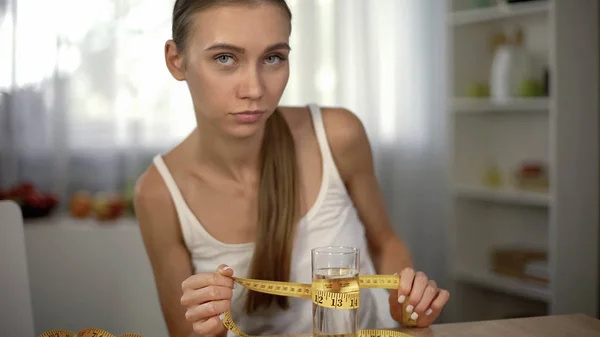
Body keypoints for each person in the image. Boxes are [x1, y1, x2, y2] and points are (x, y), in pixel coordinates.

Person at [133, 0, 450, 336]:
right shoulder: (158, 194)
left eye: (273, 58)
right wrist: (208, 330)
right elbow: (185, 333)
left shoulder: (338, 135)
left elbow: (386, 243)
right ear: (176, 60)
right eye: (225, 58)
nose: (254, 89)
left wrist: (406, 307)